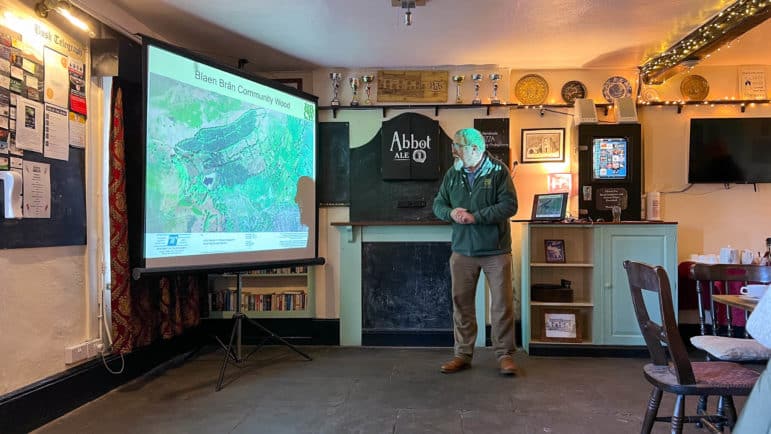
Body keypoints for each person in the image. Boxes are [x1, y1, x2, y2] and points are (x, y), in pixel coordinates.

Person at [432, 128, 519, 375]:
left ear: (475, 149)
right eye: (454, 146)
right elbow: (438, 203)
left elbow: (510, 205)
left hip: (495, 251)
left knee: (502, 305)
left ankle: (504, 355)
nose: (454, 151)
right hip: (462, 251)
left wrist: (476, 217)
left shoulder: (498, 171)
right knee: (461, 304)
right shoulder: (453, 174)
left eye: (458, 146)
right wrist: (450, 213)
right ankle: (462, 355)